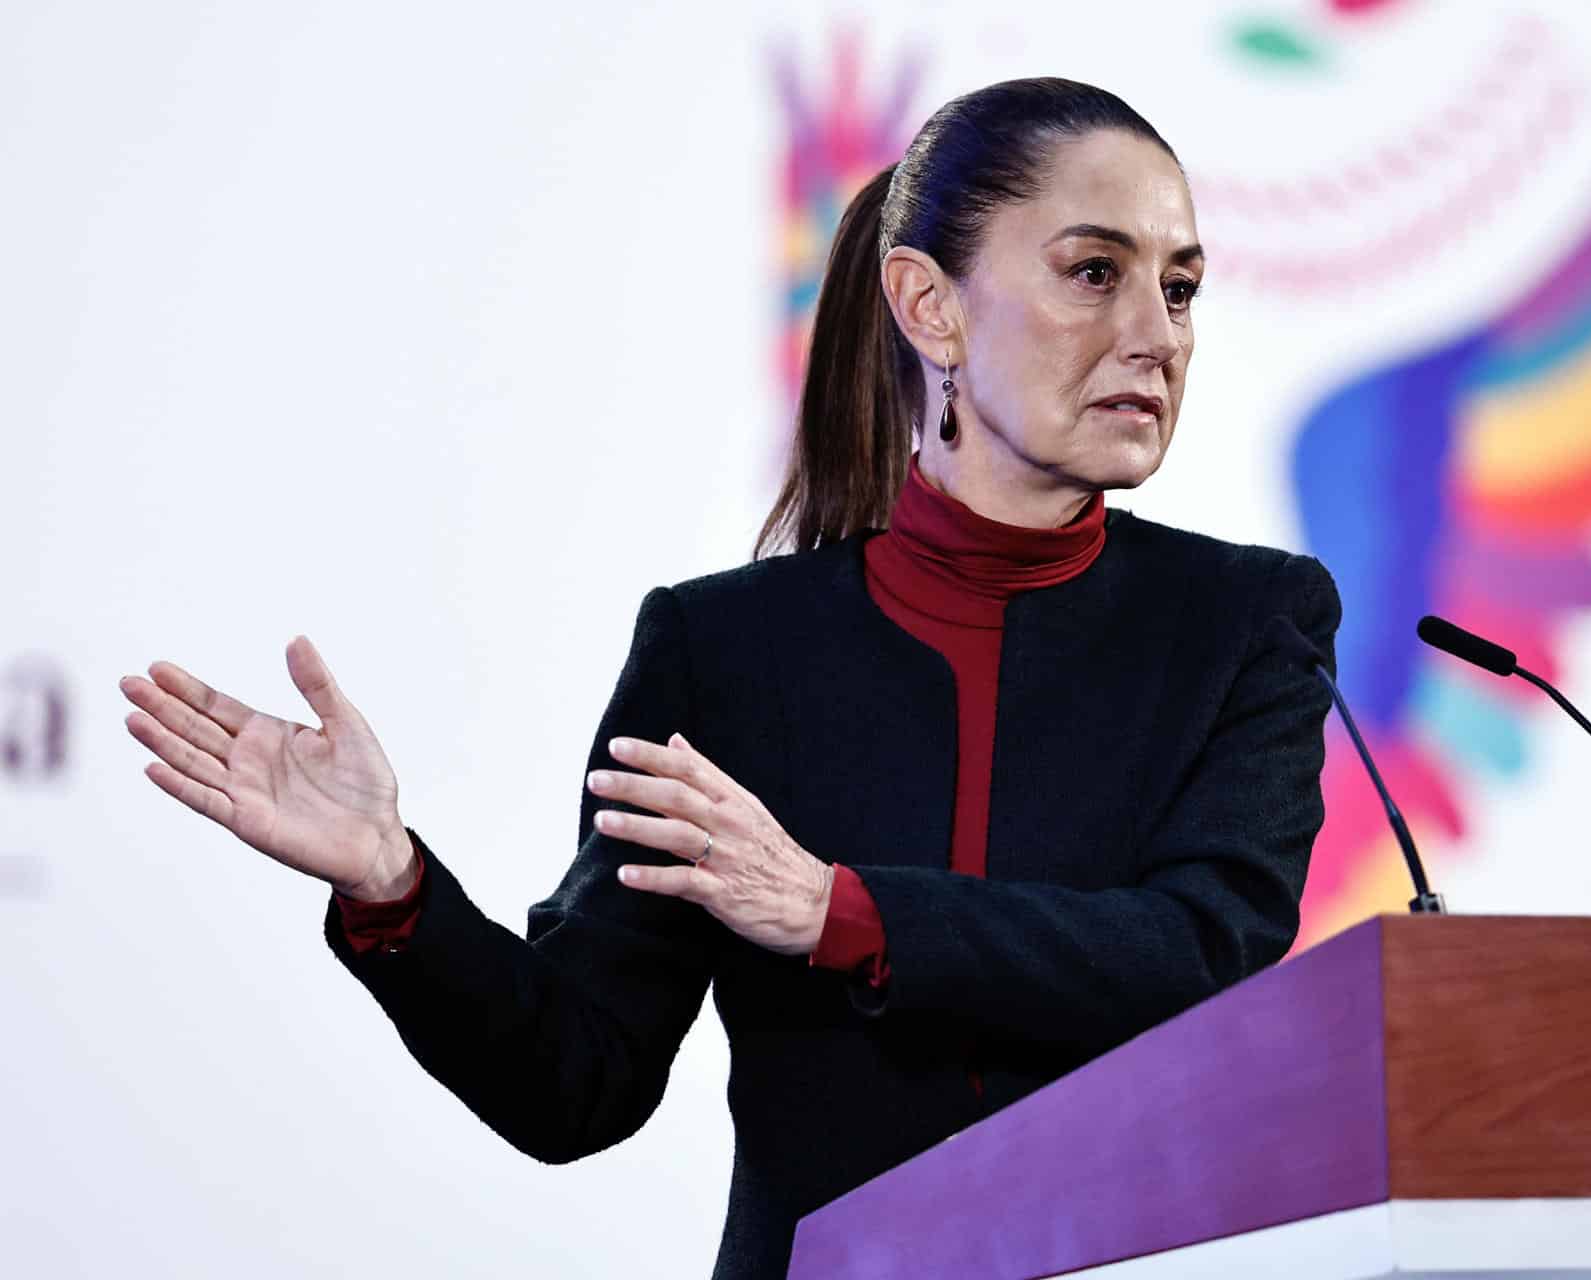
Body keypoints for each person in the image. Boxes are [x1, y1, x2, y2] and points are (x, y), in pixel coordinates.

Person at [117, 77, 1340, 1280]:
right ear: (930, 305)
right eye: (1095, 272)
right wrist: (395, 885)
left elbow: (1205, 952)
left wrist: (840, 912)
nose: (1157, 334)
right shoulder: (728, 651)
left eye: (1180, 289)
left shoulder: (1246, 618)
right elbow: (577, 1082)